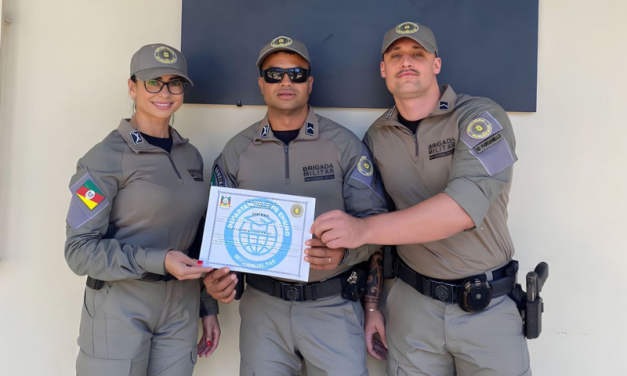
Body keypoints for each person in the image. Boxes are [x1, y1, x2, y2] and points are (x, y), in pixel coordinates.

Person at [311, 22, 531, 376]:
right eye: (396, 55)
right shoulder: (377, 137)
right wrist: (371, 306)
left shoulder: (481, 118)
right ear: (384, 70)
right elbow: (381, 222)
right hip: (413, 310)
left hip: (485, 305)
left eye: (418, 54)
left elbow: (460, 209)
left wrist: (361, 230)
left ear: (436, 64)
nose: (406, 62)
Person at [203, 36, 387, 376]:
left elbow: (377, 227)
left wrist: (344, 254)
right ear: (261, 84)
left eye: (296, 74)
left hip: (333, 306)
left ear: (310, 83)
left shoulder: (344, 145)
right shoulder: (236, 151)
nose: (286, 81)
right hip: (263, 311)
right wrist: (216, 282)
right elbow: (214, 236)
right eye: (274, 74)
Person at [64, 43, 220, 376]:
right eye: (153, 82)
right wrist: (157, 260)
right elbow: (79, 252)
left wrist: (207, 305)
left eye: (174, 83)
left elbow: (196, 240)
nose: (165, 92)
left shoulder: (190, 156)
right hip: (120, 307)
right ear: (132, 87)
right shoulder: (102, 160)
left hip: (180, 308)